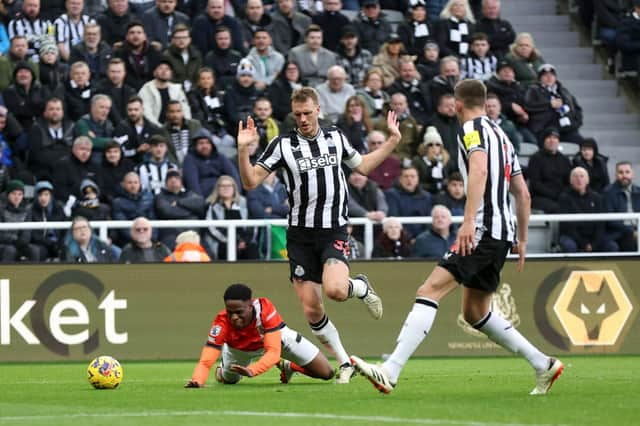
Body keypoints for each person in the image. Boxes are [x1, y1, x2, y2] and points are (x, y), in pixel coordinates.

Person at [351, 78, 564, 397]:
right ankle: (542, 363)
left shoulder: (471, 129)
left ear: (458, 104)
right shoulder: (503, 137)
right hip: (502, 232)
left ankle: (390, 370)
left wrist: (466, 222)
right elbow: (522, 193)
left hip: (482, 228)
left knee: (429, 290)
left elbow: (478, 170)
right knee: (475, 312)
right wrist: (520, 239)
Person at [236, 86, 401, 383]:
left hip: (333, 229)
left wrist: (392, 140)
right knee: (312, 308)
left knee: (337, 290)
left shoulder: (335, 137)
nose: (302, 119)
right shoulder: (281, 145)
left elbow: (362, 166)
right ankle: (344, 362)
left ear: (318, 110)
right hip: (300, 236)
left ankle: (360, 288)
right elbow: (250, 182)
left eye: (307, 113)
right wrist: (243, 150)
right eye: (297, 114)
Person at [184, 283, 334, 387]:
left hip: (277, 340)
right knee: (227, 380)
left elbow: (274, 352)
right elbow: (206, 359)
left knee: (327, 372)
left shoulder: (265, 310)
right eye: (230, 312)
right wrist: (198, 380)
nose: (234, 317)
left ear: (250, 305)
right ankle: (222, 370)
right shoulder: (221, 322)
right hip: (238, 351)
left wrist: (253, 370)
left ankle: (289, 366)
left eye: (239, 312)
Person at [557, 167, 618, 253]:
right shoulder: (564, 198)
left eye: (582, 176)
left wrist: (593, 244)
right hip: (572, 237)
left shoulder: (597, 198)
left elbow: (601, 224)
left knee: (612, 246)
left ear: (587, 180)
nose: (579, 179)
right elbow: (567, 226)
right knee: (568, 246)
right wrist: (584, 244)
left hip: (593, 237)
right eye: (575, 176)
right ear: (570, 181)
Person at [524, 63, 584, 145]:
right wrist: (549, 105)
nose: (549, 77)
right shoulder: (533, 90)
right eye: (545, 75)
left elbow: (577, 109)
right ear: (540, 78)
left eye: (551, 75)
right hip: (545, 129)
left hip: (567, 128)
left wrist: (575, 123)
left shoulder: (563, 91)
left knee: (585, 144)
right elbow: (528, 106)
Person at [202, 175, 258, 260]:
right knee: (225, 248)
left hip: (244, 241)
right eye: (223, 186)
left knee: (252, 248)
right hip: (222, 242)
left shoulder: (244, 203)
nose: (226, 188)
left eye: (229, 186)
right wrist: (231, 241)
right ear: (218, 188)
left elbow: (252, 224)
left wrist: (245, 241)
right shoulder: (211, 205)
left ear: (234, 188)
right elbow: (212, 229)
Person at [155, 169, 205, 249]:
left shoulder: (190, 194)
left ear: (181, 182)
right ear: (165, 183)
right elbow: (167, 211)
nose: (173, 180)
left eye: (176, 178)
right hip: (170, 236)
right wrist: (190, 211)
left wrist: (179, 203)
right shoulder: (160, 197)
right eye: (170, 179)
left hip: (192, 234)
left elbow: (200, 204)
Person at [526, 128, 571, 213]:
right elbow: (535, 184)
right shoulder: (535, 158)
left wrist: (563, 194)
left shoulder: (564, 159)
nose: (552, 141)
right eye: (549, 137)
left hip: (561, 196)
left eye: (555, 138)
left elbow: (568, 182)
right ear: (544, 140)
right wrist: (554, 194)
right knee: (557, 208)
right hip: (539, 197)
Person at [138, 60, 191, 127]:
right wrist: (160, 128)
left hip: (176, 127)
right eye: (160, 68)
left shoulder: (177, 89)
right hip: (154, 129)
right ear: (154, 72)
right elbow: (147, 113)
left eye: (167, 69)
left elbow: (185, 109)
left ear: (171, 73)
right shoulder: (146, 89)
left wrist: (186, 125)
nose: (164, 71)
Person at [384, 165, 432, 238]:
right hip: (401, 237)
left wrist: (421, 238)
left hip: (423, 238)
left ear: (417, 179)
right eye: (406, 176)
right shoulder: (392, 195)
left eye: (412, 176)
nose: (409, 179)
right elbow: (394, 218)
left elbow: (429, 221)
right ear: (400, 179)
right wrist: (408, 238)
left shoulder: (426, 196)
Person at [113, 95, 164, 162]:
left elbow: (162, 149)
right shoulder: (121, 128)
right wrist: (136, 151)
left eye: (136, 109)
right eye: (130, 110)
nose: (133, 113)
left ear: (142, 109)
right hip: (128, 165)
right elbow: (116, 151)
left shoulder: (153, 129)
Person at [603, 161, 640, 252]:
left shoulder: (639, 191)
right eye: (621, 172)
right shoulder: (608, 193)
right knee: (631, 243)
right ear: (616, 175)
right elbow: (610, 221)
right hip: (619, 233)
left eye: (627, 172)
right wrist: (631, 231)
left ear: (632, 174)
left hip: (637, 230)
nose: (624, 175)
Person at [0, 179, 38, 262]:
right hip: (4, 243)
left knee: (34, 250)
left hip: (20, 243)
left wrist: (23, 241)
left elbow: (27, 231)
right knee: (10, 250)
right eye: (14, 193)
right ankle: (5, 274)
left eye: (20, 194)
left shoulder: (27, 210)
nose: (17, 197)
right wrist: (14, 240)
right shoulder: (1, 209)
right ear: (8, 194)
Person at [28, 180, 67, 260]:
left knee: (66, 250)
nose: (43, 198)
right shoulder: (31, 210)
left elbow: (65, 230)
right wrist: (47, 242)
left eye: (46, 194)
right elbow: (32, 234)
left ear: (51, 195)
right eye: (40, 195)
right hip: (41, 243)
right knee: (40, 251)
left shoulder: (58, 208)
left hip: (57, 242)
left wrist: (59, 242)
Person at [95, 58, 137, 125]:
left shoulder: (130, 91)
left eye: (119, 72)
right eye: (113, 72)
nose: (116, 75)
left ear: (124, 73)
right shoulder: (100, 90)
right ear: (107, 72)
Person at [162, 24, 202, 92]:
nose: (181, 40)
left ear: (189, 39)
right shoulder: (166, 56)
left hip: (194, 92)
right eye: (178, 38)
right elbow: (167, 79)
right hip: (174, 92)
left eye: (184, 37)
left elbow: (198, 76)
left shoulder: (196, 55)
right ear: (173, 40)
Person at [412, 126, 450, 194]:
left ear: (441, 147)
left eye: (437, 144)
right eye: (430, 145)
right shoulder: (418, 161)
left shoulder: (444, 161)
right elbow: (415, 183)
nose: (434, 147)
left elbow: (447, 181)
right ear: (425, 147)